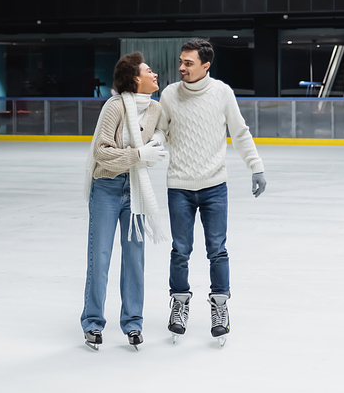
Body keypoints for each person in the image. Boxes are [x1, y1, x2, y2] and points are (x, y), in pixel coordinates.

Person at [156, 39, 267, 344]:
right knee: (180, 250)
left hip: (214, 186)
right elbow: (160, 130)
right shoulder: (169, 95)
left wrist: (255, 166)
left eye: (188, 63)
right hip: (179, 185)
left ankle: (220, 307)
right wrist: (152, 144)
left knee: (217, 250)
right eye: (181, 61)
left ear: (206, 66)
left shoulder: (222, 93)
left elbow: (240, 131)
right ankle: (179, 304)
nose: (182, 67)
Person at [80, 52, 167, 351]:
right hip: (106, 185)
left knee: (134, 259)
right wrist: (139, 155)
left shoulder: (155, 108)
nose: (154, 74)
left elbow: (161, 131)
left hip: (136, 189)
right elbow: (101, 151)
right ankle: (92, 323)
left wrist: (158, 141)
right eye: (148, 70)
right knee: (100, 256)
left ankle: (133, 324)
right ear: (134, 79)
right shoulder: (114, 106)